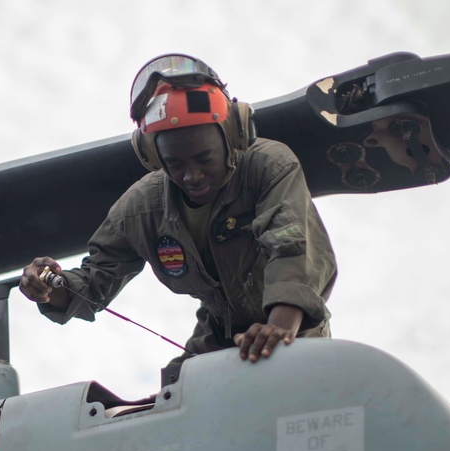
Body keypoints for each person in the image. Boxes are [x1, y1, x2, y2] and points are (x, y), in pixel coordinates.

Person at [19, 55, 336, 381]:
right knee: (173, 394)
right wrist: (47, 286)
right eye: (175, 164)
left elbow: (290, 247)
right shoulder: (140, 210)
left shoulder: (268, 168)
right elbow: (92, 284)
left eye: (204, 158)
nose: (192, 175)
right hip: (217, 340)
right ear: (152, 156)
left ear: (234, 135)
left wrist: (278, 330)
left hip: (296, 332)